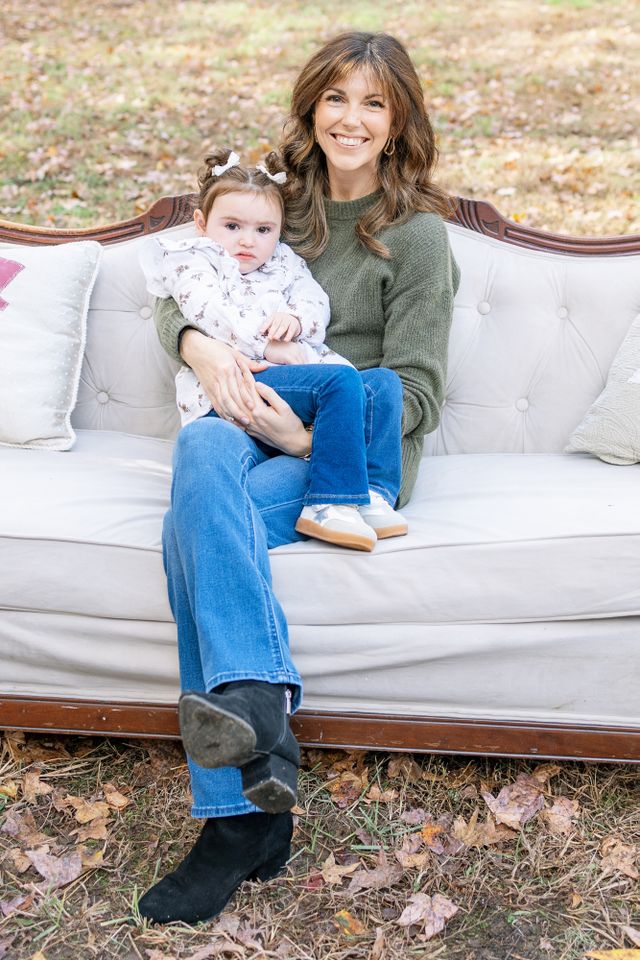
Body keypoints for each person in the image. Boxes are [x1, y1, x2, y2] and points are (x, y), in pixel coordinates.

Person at [138, 30, 460, 926]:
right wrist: (198, 346)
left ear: (399, 122)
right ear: (312, 107)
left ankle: (237, 817)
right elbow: (184, 282)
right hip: (246, 417)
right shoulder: (278, 201)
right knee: (202, 454)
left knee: (194, 523)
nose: (351, 119)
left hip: (345, 455)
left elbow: (417, 394)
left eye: (374, 103)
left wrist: (305, 433)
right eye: (336, 98)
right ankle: (259, 722)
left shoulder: (417, 237)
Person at [139, 149, 408, 551]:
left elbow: (315, 300)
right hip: (240, 386)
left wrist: (297, 321)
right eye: (232, 226)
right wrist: (266, 343)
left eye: (264, 229)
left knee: (384, 384)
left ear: (279, 231)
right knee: (339, 381)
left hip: (295, 388)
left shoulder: (284, 262)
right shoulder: (193, 260)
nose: (247, 240)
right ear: (201, 223)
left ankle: (372, 495)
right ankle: (327, 502)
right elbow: (209, 313)